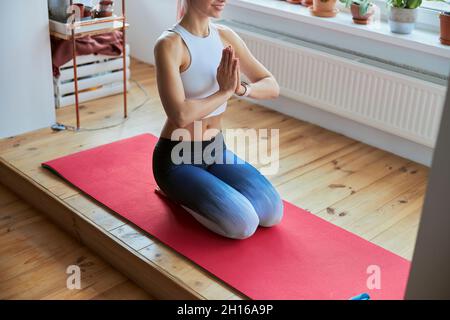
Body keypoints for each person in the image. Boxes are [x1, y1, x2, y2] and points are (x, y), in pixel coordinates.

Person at [152, 0, 283, 239]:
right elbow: (179, 115)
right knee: (244, 225)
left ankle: (202, 189)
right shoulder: (170, 45)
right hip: (176, 159)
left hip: (216, 151)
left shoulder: (225, 36)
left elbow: (271, 85)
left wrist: (240, 89)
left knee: (272, 212)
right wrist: (224, 92)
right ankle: (175, 194)